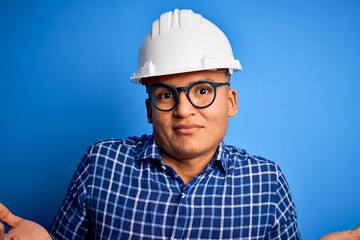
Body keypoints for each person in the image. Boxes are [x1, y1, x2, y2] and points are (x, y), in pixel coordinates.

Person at [0, 8, 359, 240]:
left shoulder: (265, 182)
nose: (184, 110)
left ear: (230, 102)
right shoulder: (101, 165)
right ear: (149, 109)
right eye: (167, 95)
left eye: (202, 90)